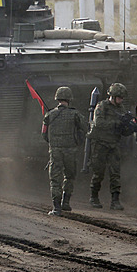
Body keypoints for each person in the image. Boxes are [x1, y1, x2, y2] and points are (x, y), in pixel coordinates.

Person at [87, 83, 133, 210]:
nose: (121, 100)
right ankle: (94, 197)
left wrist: (130, 128)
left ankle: (115, 200)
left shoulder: (121, 108)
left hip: (114, 144)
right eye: (119, 97)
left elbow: (123, 130)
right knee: (99, 173)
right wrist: (116, 123)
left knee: (115, 173)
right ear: (113, 96)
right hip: (100, 143)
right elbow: (98, 123)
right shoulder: (102, 106)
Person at [42, 86, 87, 216]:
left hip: (55, 150)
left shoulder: (50, 115)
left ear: (57, 98)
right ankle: (65, 202)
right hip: (71, 150)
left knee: (55, 179)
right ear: (69, 99)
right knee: (69, 176)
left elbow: (44, 134)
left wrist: (53, 143)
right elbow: (85, 128)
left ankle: (56, 208)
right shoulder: (76, 114)